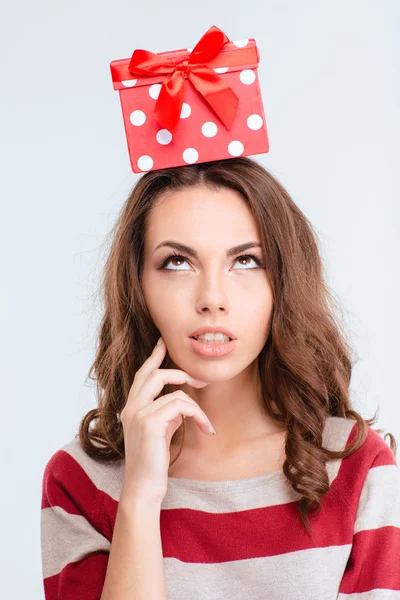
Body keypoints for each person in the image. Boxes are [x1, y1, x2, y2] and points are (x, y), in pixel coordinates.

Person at [40, 157, 400, 599]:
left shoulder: (357, 468)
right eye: (176, 262)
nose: (212, 298)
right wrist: (138, 498)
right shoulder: (81, 481)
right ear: (138, 286)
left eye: (246, 261)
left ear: (283, 283)